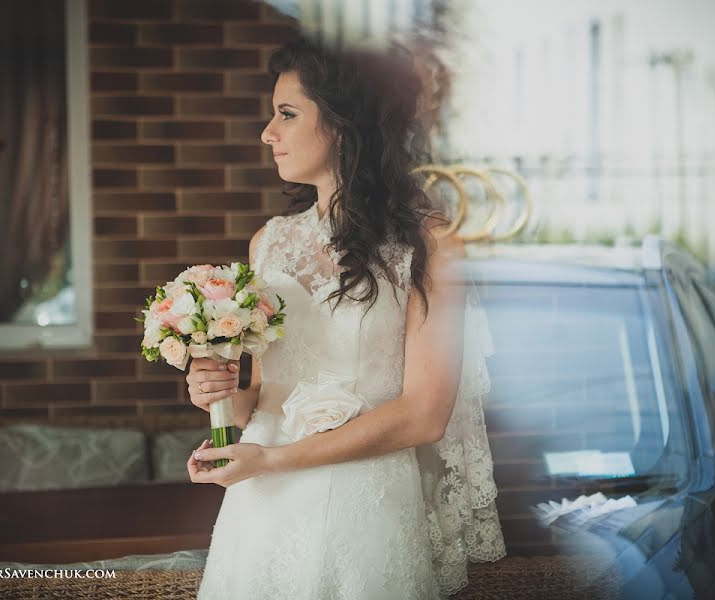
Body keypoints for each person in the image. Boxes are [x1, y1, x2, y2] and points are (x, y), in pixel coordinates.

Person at [186, 37, 505, 599]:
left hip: (366, 504)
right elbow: (263, 392)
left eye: (287, 114)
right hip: (260, 507)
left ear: (343, 123)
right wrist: (217, 402)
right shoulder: (270, 243)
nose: (268, 132)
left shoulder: (429, 245)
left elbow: (424, 416)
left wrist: (275, 459)